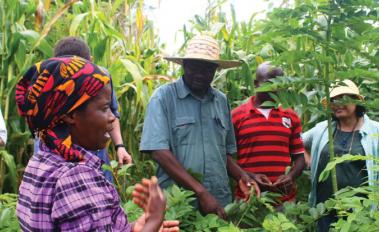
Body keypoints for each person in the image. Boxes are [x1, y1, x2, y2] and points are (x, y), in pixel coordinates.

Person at [15, 57, 179, 231]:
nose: (112, 117)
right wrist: (154, 219)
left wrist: (131, 228)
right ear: (71, 116)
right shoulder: (74, 177)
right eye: (104, 108)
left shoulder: (40, 162)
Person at [140, 35, 259, 219]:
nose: (199, 74)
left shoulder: (221, 101)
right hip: (177, 203)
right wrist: (201, 192)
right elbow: (159, 151)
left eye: (207, 69)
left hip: (219, 200)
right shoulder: (163, 98)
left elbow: (224, 154)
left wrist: (243, 176)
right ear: (184, 65)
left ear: (215, 70)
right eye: (193, 67)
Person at [33, 36, 131, 182]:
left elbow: (110, 113)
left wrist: (120, 146)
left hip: (93, 154)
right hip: (56, 158)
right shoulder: (44, 83)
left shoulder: (101, 78)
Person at [302, 79, 379, 231]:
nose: (337, 104)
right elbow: (295, 142)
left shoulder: (375, 130)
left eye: (342, 98)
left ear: (356, 101)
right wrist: (308, 161)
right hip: (325, 209)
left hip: (360, 211)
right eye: (333, 100)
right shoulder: (323, 129)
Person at [232, 62, 305, 202]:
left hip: (283, 198)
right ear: (255, 83)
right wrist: (249, 176)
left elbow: (300, 158)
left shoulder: (291, 116)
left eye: (280, 83)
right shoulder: (236, 116)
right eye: (270, 82)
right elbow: (226, 158)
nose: (275, 88)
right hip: (248, 197)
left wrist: (290, 177)